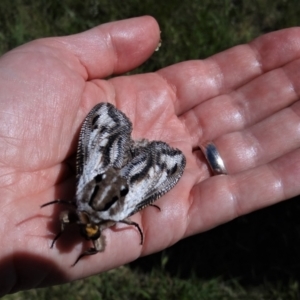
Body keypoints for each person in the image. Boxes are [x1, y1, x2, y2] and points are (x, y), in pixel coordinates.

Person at [1, 15, 300, 295]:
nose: (88, 229)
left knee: (144, 172)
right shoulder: (92, 210)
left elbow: (81, 222)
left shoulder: (79, 206)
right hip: (120, 176)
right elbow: (97, 232)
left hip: (106, 166)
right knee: (155, 177)